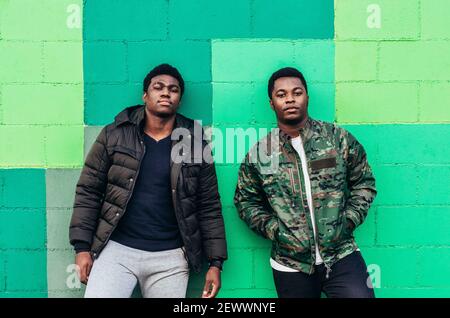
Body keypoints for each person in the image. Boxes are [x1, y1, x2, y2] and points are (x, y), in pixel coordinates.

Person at [69, 63, 227, 298]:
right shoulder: (115, 134)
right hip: (116, 251)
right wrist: (82, 248)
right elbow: (89, 190)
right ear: (145, 95)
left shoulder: (195, 143)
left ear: (179, 99)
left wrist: (215, 263)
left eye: (173, 90)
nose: (166, 93)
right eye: (158, 87)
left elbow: (208, 204)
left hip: (171, 258)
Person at [234, 67, 377, 298]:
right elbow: (245, 201)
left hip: (341, 255)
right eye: (281, 95)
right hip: (290, 264)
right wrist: (275, 230)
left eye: (296, 92)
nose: (290, 99)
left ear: (306, 97)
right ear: (272, 103)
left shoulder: (337, 139)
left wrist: (348, 220)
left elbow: (364, 182)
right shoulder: (261, 153)